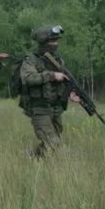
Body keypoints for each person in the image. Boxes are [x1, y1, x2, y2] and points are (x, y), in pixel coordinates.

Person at [19, 25, 80, 158]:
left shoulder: (58, 60)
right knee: (53, 142)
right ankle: (32, 157)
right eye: (52, 41)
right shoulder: (31, 60)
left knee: (51, 143)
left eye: (56, 41)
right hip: (39, 108)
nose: (55, 44)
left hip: (56, 108)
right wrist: (52, 75)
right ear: (43, 42)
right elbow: (28, 78)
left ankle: (30, 157)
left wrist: (71, 93)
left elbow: (64, 80)